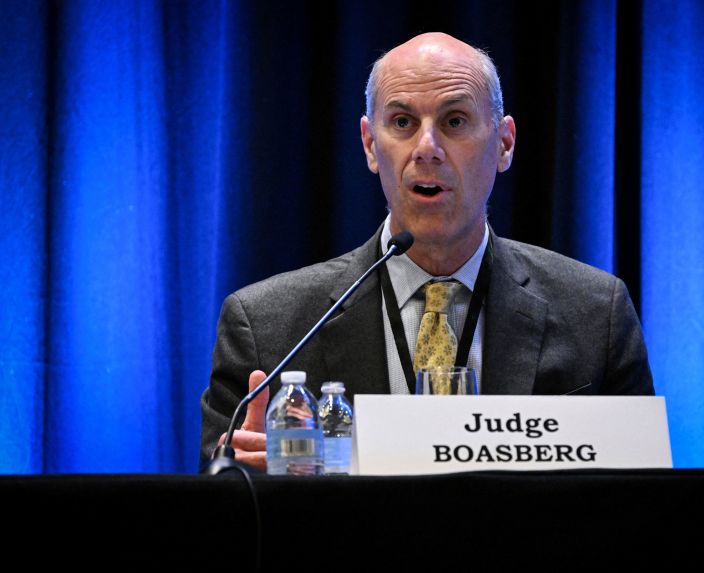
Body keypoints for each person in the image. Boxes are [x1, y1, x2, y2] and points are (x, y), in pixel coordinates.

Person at [199, 32, 653, 470]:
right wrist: (246, 484)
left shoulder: (596, 313)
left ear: (504, 143)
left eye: (455, 121)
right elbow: (220, 522)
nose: (427, 149)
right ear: (370, 145)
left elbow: (643, 504)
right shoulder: (267, 327)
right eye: (402, 123)